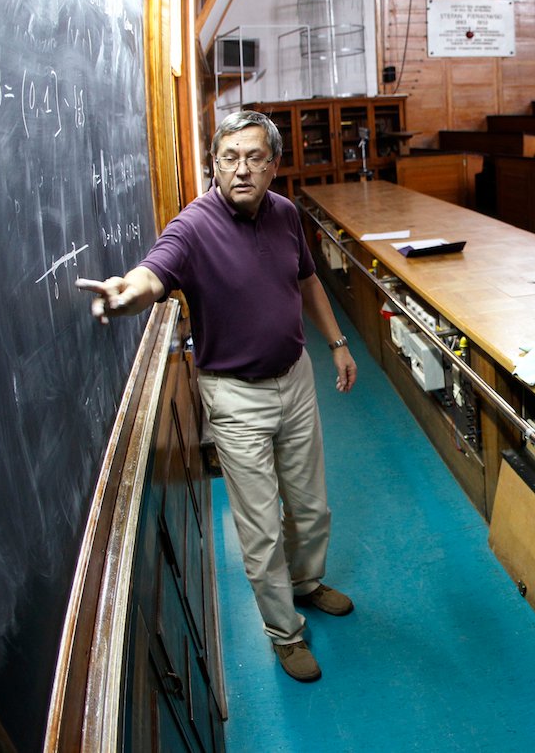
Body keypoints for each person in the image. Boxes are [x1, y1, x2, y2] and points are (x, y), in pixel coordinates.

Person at [78, 110, 359, 683]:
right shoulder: (193, 226)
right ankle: (285, 634)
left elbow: (306, 278)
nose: (241, 170)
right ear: (215, 163)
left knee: (311, 506)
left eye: (255, 158)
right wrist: (125, 294)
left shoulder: (284, 215)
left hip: (296, 379)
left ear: (274, 165)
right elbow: (152, 277)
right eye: (229, 158)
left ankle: (306, 584)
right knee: (260, 526)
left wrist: (336, 343)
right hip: (235, 397)